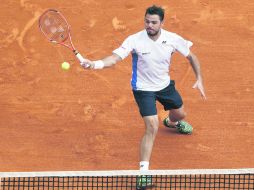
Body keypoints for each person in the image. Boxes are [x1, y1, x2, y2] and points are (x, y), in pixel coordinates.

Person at [81, 4, 206, 182]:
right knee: (152, 126)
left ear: (162, 23)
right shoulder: (134, 40)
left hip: (164, 86)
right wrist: (95, 64)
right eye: (147, 21)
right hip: (143, 89)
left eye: (154, 22)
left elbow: (191, 56)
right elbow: (114, 59)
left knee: (180, 114)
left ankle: (172, 122)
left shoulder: (172, 38)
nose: (149, 25)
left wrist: (199, 78)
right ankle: (143, 173)